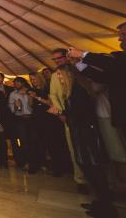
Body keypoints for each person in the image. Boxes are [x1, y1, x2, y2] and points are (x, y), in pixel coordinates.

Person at [49, 65, 117, 218]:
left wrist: (60, 112)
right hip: (81, 132)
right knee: (88, 167)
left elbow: (81, 114)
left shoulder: (79, 91)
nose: (59, 79)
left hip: (86, 134)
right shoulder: (72, 92)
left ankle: (107, 207)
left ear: (69, 75)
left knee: (93, 168)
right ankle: (101, 201)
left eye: (60, 76)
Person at [49, 48, 88, 193]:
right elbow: (53, 95)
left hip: (87, 114)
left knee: (95, 147)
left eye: (59, 58)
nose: (57, 61)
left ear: (67, 56)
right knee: (74, 148)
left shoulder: (78, 69)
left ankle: (108, 181)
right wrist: (60, 112)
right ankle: (81, 180)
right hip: (69, 115)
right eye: (54, 59)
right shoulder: (55, 76)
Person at [8, 77, 34, 171]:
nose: (16, 84)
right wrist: (15, 106)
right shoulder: (13, 94)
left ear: (23, 83)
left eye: (18, 82)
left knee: (34, 141)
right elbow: (12, 109)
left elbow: (35, 105)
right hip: (21, 119)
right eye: (15, 83)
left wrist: (30, 97)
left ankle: (36, 162)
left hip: (33, 119)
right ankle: (27, 162)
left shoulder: (31, 91)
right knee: (24, 141)